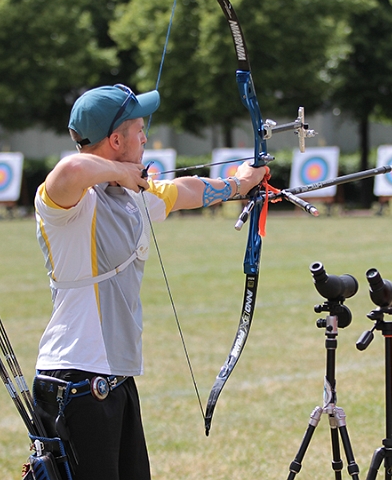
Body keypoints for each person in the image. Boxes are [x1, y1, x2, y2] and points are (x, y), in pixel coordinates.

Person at [30, 84, 267, 480]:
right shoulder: (69, 206)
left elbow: (184, 190)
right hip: (74, 381)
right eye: (139, 130)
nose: (144, 138)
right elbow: (71, 170)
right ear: (115, 140)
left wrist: (239, 184)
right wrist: (120, 172)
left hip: (115, 379)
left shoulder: (131, 196)